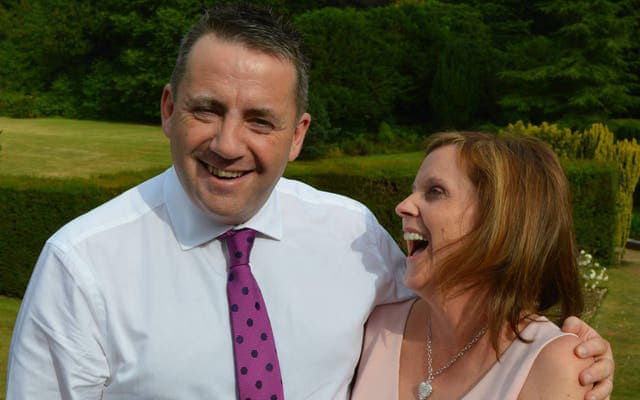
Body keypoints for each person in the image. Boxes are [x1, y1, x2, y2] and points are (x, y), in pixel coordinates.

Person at [6, 4, 613, 400]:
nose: (227, 143)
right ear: (168, 109)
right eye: (206, 109)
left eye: (260, 121)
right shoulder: (82, 266)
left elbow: (463, 313)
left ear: (298, 135)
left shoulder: (351, 237)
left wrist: (571, 353)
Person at [352, 132, 613, 399]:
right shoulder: (376, 322)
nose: (402, 206)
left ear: (502, 220)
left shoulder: (555, 367)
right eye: (414, 191)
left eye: (435, 191)